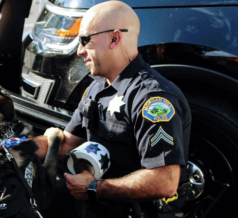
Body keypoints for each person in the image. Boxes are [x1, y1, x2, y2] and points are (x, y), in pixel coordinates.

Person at [38, 1, 191, 218]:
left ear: (114, 38)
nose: (80, 51)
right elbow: (67, 143)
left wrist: (94, 188)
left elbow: (164, 181)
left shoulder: (153, 99)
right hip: (97, 207)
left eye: (85, 40)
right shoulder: (97, 86)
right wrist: (10, 149)